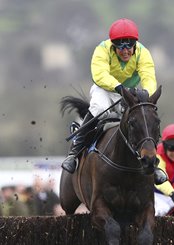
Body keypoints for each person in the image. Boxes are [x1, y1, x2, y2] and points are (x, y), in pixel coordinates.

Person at [62, 17, 165, 186]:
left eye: (129, 45)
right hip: (105, 89)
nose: (125, 50)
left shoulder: (142, 53)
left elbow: (148, 76)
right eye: (120, 46)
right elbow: (100, 74)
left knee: (145, 117)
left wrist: (148, 96)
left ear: (134, 44)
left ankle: (154, 164)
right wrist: (118, 88)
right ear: (113, 45)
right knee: (99, 107)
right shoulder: (101, 50)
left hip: (130, 92)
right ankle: (74, 153)